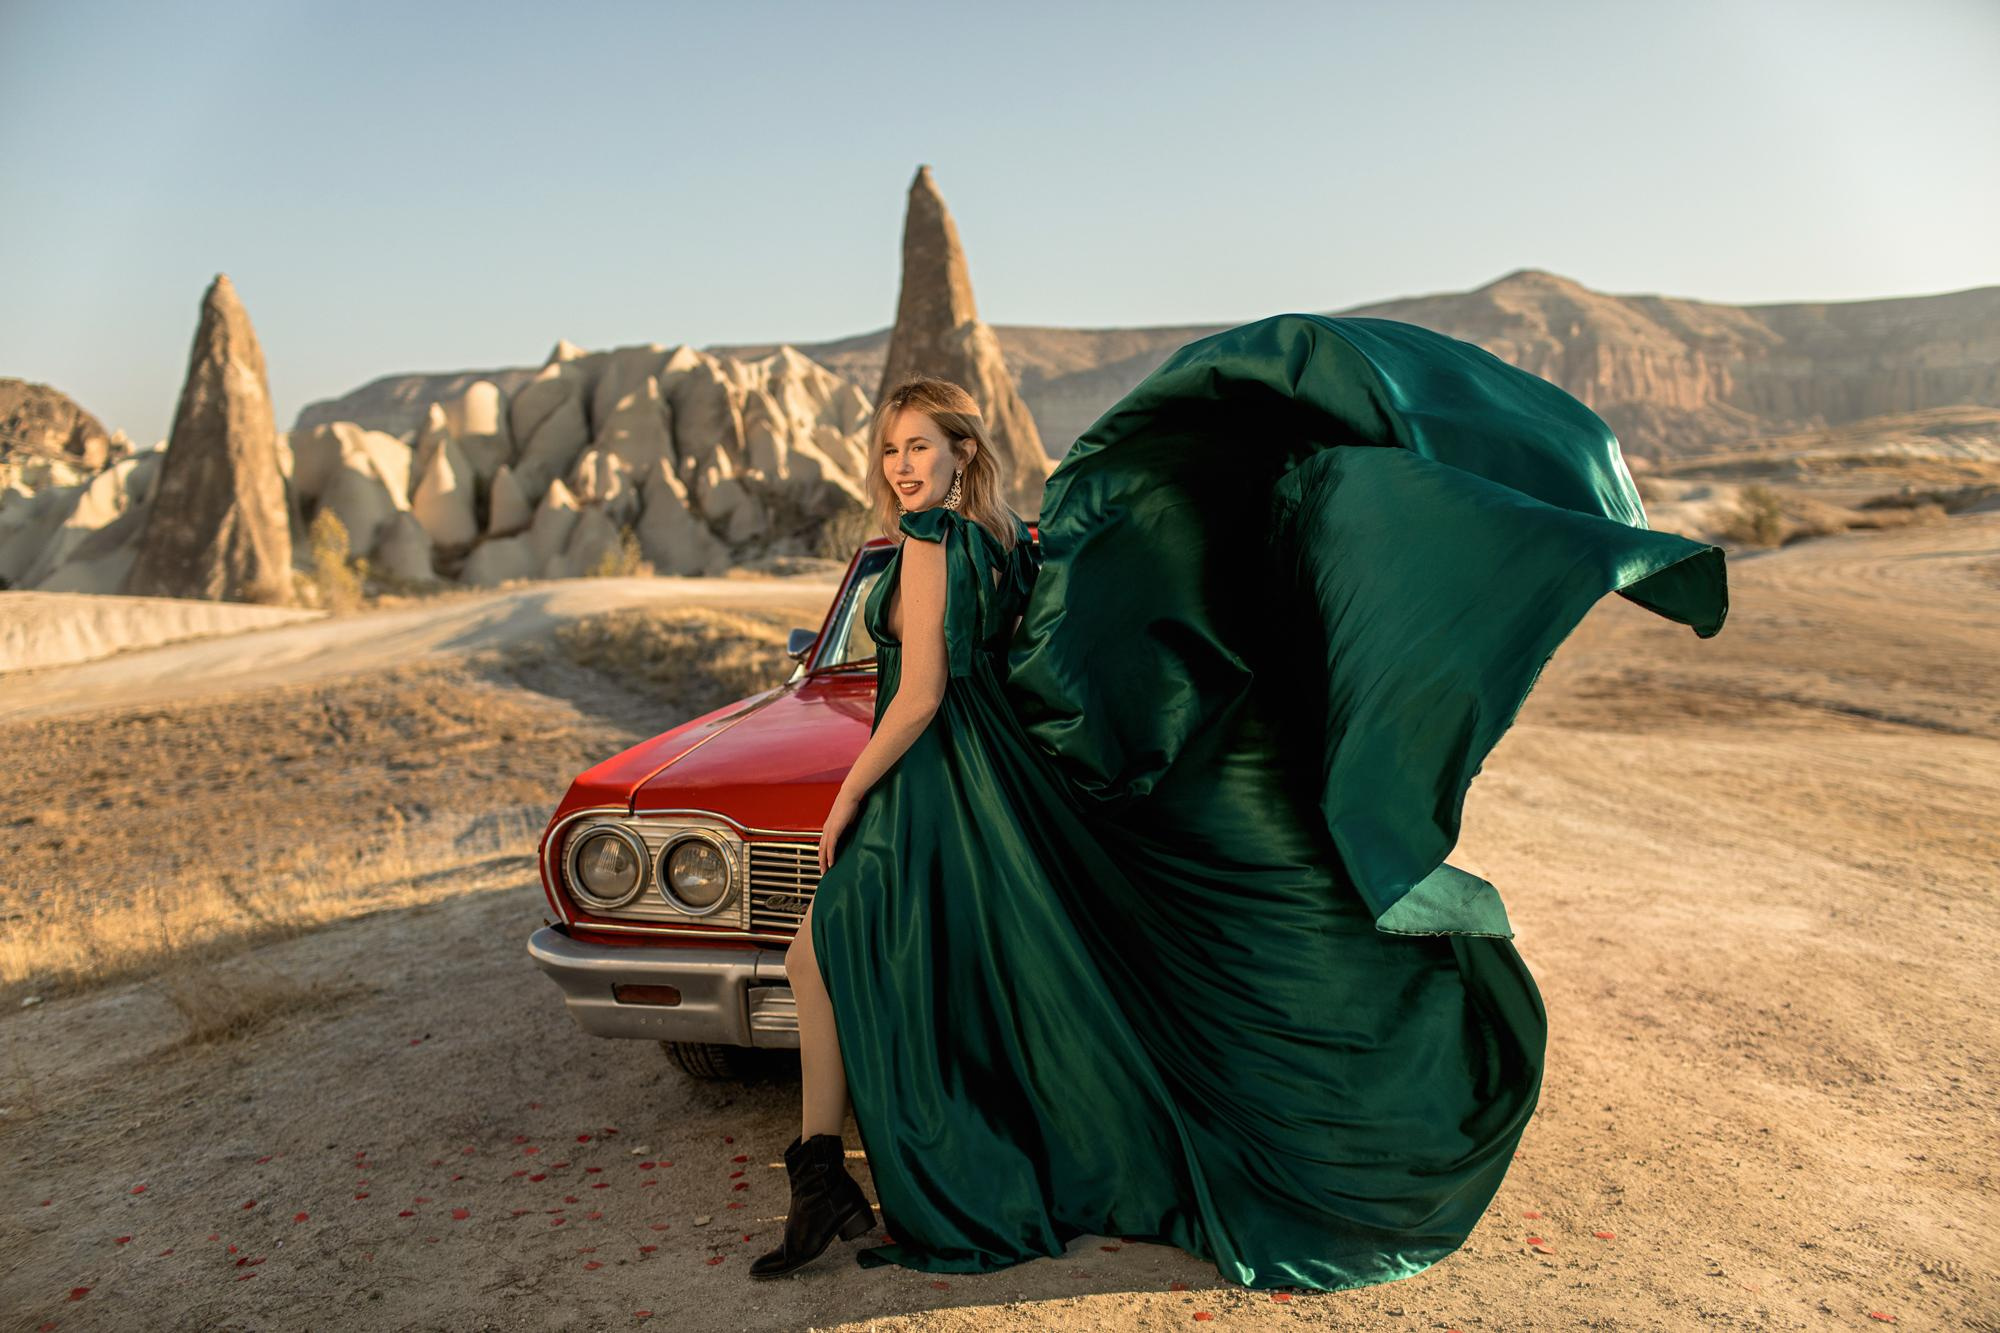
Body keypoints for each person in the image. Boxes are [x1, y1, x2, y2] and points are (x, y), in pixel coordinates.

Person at [749, 313, 1729, 1291]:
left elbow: (917, 694)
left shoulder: (926, 542)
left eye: (917, 445)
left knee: (827, 946)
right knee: (890, 958)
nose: (899, 463)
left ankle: (831, 1172)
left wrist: (846, 800)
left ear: (962, 450)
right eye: (886, 449)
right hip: (990, 777)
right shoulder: (1001, 541)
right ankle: (829, 1172)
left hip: (933, 781)